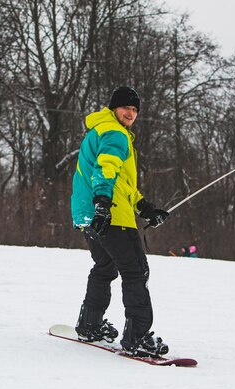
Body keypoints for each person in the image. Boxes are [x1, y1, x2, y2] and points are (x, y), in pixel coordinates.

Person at [70, 86, 169, 357]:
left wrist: (146, 208)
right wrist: (103, 203)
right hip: (110, 214)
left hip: (88, 215)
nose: (131, 113)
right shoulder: (115, 133)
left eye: (135, 109)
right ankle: (137, 337)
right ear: (114, 108)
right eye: (126, 107)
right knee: (136, 271)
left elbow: (122, 183)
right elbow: (106, 168)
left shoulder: (99, 129)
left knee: (105, 267)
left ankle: (90, 325)